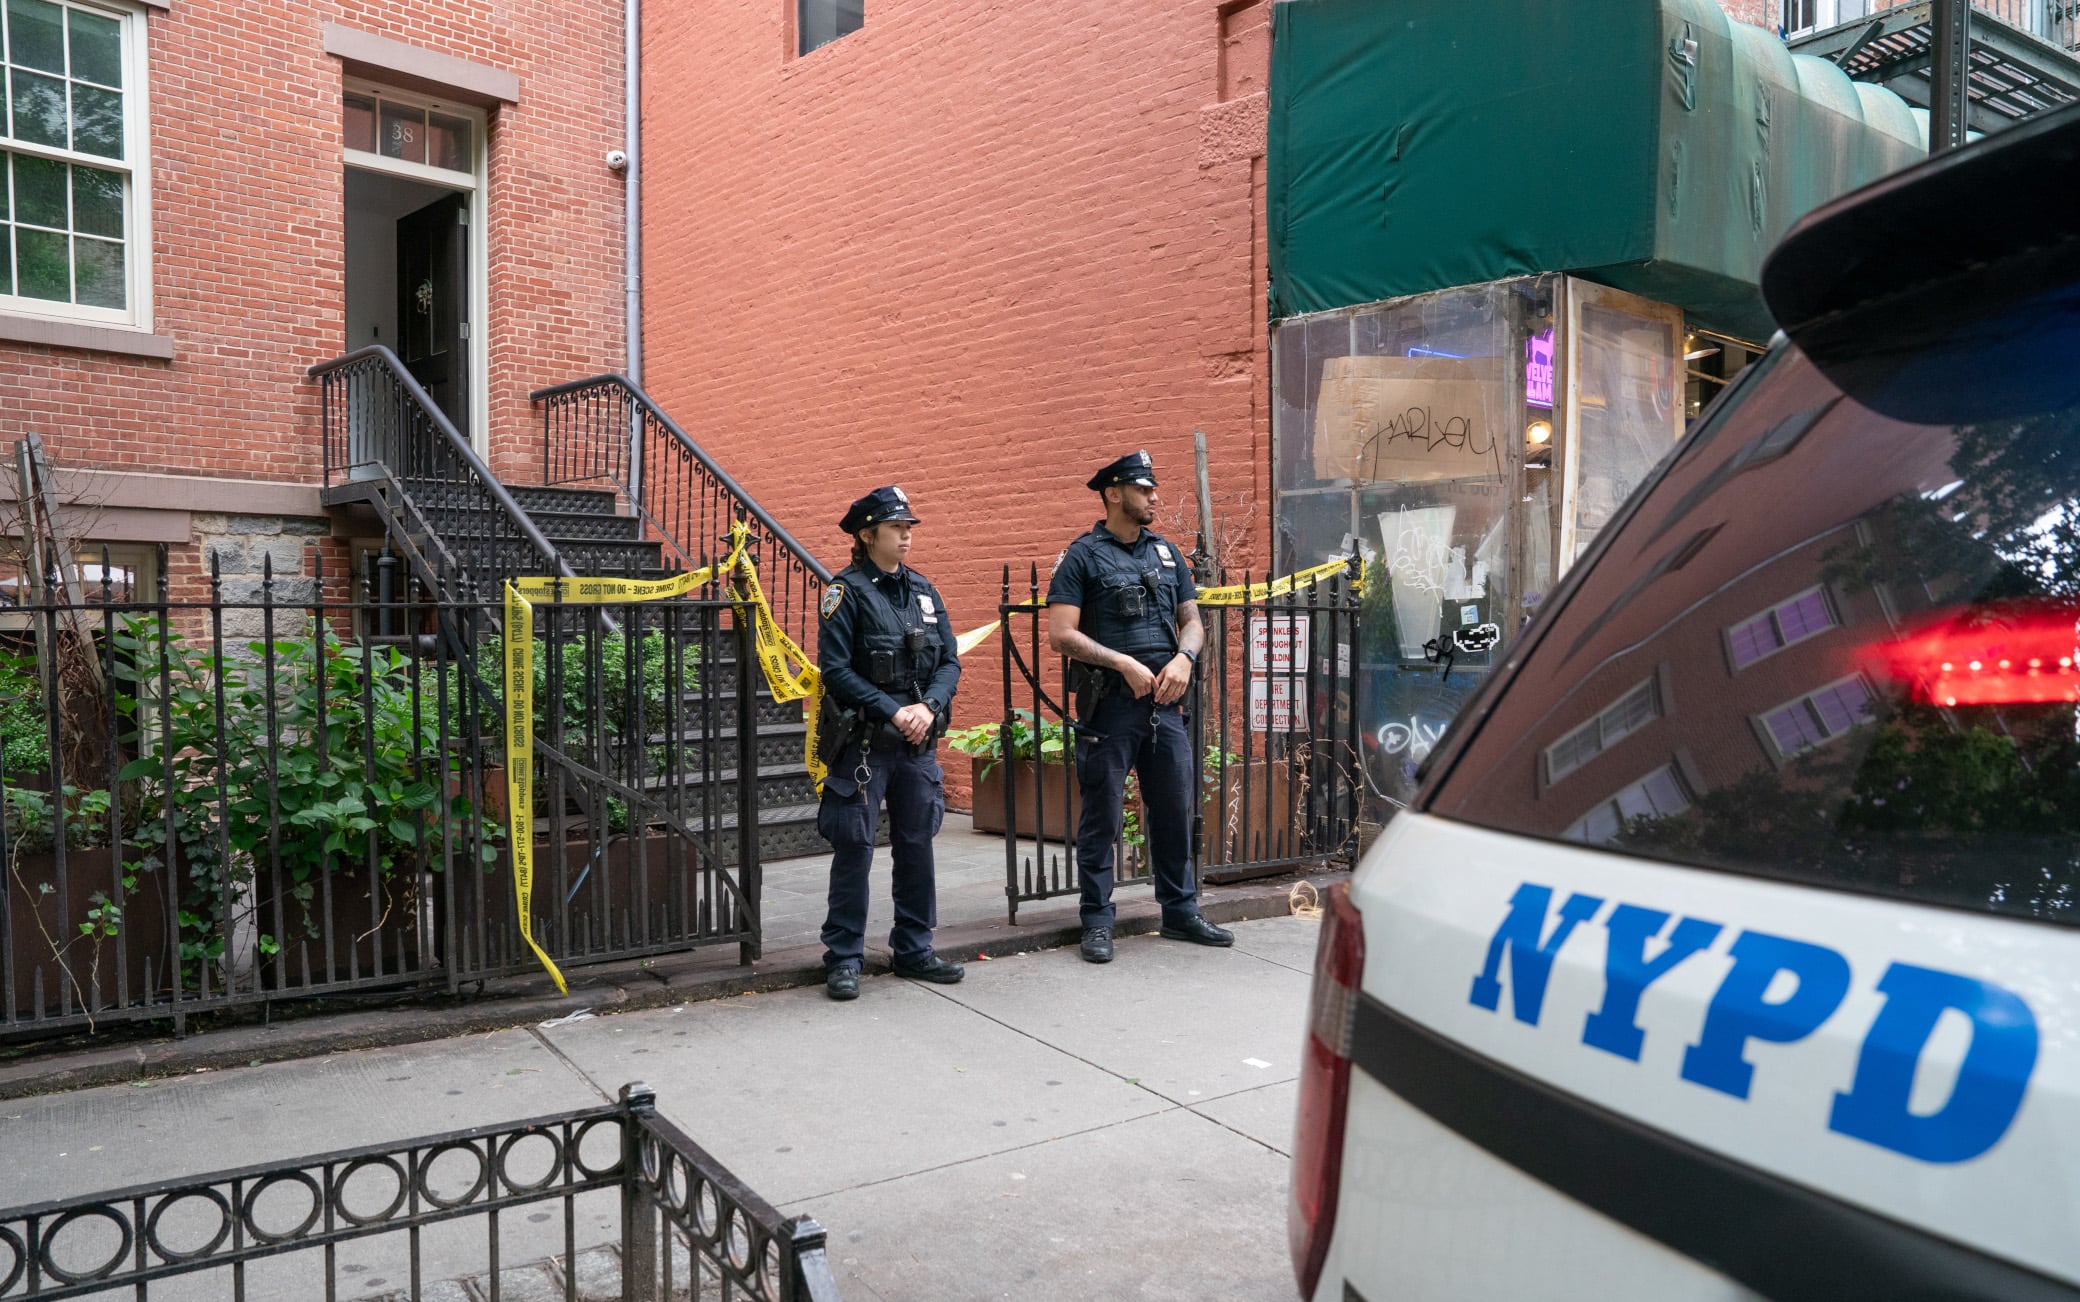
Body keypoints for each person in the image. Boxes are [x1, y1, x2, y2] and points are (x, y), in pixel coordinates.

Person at [1046, 451, 1233, 963]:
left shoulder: (1167, 555)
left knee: (1174, 809)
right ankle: (1097, 920)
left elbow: (1193, 622)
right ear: (1113, 493)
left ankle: (1180, 911)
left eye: (1154, 489)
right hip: (1111, 706)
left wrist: (1185, 658)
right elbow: (1060, 634)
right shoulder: (1082, 556)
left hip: (1166, 703)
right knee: (1102, 816)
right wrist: (1122, 663)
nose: (1155, 497)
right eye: (1144, 489)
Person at [815, 486, 965, 1001]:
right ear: (867, 534)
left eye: (908, 527)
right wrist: (892, 709)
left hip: (917, 742)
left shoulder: (924, 590)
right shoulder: (846, 591)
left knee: (917, 843)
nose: (906, 535)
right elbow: (834, 670)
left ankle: (915, 949)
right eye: (896, 527)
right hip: (865, 744)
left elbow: (950, 660)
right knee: (855, 848)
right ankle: (844, 958)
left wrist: (928, 708)